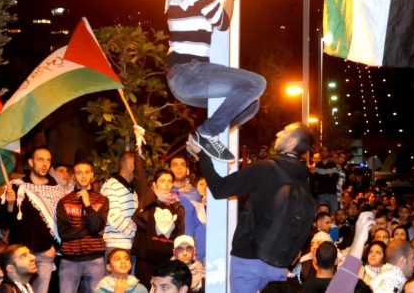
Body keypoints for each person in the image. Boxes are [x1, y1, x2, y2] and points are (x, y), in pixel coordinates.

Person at [165, 0, 266, 163]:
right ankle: (206, 134)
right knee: (256, 83)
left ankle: (204, 139)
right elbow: (223, 22)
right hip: (190, 72)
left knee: (250, 103)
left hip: (183, 78)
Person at [187, 122, 315, 292]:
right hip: (278, 263)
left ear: (292, 142)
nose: (278, 133)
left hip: (248, 257)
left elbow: (220, 189)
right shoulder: (305, 180)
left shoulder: (265, 168)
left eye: (284, 132)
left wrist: (203, 155)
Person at [0, 146, 69, 293]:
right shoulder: (16, 187)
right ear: (31, 162)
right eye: (40, 159)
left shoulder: (59, 191)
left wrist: (54, 247)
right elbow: (3, 223)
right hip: (19, 255)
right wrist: (10, 204)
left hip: (45, 253)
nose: (44, 164)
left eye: (48, 160)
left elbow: (63, 224)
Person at [56, 159, 109, 292]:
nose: (83, 176)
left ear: (92, 175)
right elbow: (64, 233)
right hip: (69, 260)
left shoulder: (102, 200)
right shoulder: (64, 201)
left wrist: (87, 204)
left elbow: (96, 227)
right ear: (74, 176)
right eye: (79, 173)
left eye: (86, 172)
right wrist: (90, 229)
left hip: (94, 259)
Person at [132, 169, 185, 287]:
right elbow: (139, 176)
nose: (166, 184)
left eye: (169, 181)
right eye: (162, 181)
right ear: (155, 184)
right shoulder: (147, 199)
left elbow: (179, 233)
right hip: (146, 258)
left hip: (166, 260)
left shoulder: (177, 206)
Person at [100, 151, 139, 255]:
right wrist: (134, 232)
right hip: (115, 244)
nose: (140, 169)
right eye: (138, 164)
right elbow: (113, 217)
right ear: (131, 165)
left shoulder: (132, 189)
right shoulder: (111, 185)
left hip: (130, 244)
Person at [168, 157, 206, 261]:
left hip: (187, 251)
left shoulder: (193, 193)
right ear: (169, 169)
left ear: (187, 170)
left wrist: (198, 255)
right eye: (175, 165)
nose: (179, 168)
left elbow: (200, 224)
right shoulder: (163, 191)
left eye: (182, 165)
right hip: (164, 249)